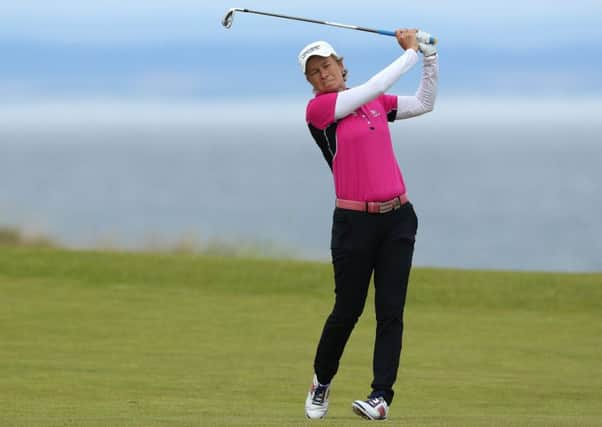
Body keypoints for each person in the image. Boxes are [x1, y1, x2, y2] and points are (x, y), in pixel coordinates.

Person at [299, 29, 438, 420]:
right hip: (353, 223)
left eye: (326, 65)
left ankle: (380, 396)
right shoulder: (320, 112)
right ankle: (322, 381)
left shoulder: (376, 103)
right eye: (314, 73)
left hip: (398, 219)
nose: (322, 74)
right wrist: (410, 53)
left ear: (341, 65)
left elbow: (425, 102)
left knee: (390, 311)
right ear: (310, 83)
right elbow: (376, 84)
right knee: (347, 309)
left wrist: (429, 58)